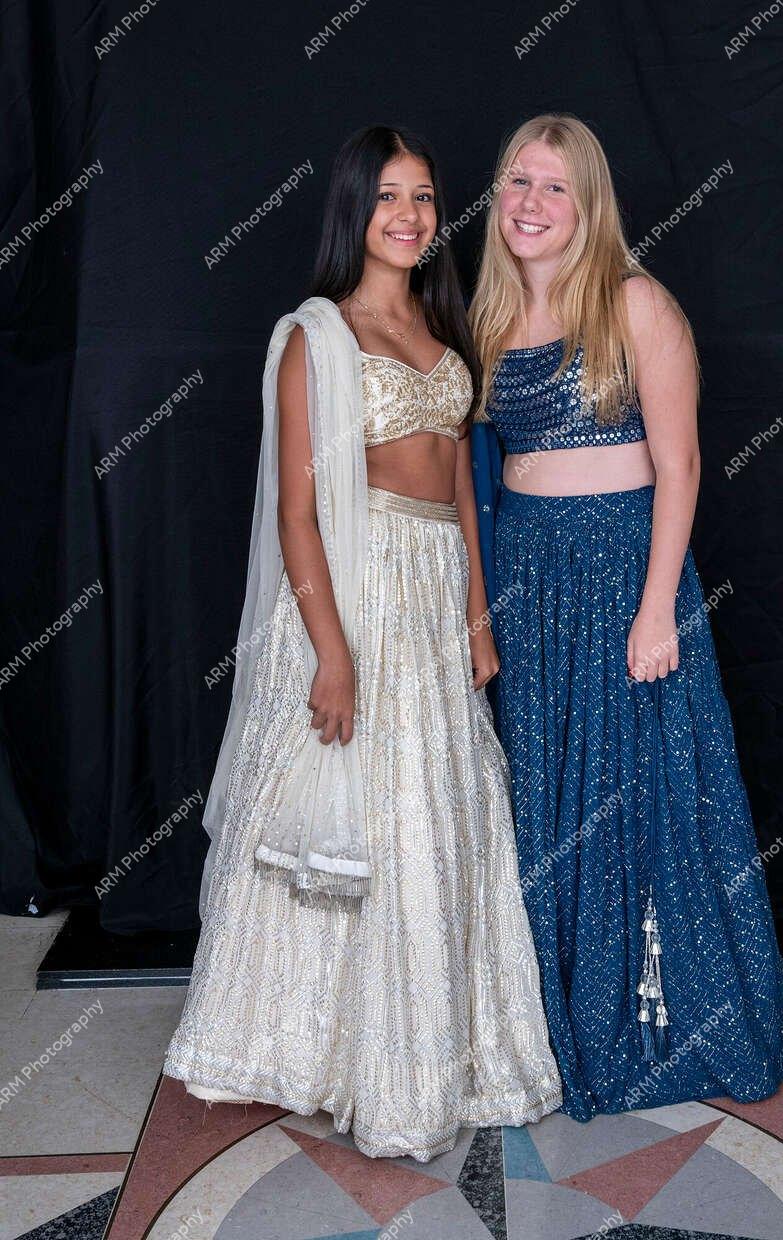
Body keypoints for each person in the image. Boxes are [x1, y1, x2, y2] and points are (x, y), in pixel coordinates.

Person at [164, 125, 561, 1161]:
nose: (410, 215)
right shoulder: (317, 337)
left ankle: (438, 1044)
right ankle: (326, 1051)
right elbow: (297, 512)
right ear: (354, 208)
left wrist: (478, 613)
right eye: (388, 196)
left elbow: (463, 487)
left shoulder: (443, 326)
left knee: (437, 807)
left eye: (424, 196)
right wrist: (332, 654)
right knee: (361, 809)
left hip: (436, 592)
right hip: (360, 588)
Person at [470, 113, 783, 1121]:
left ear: (588, 204)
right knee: (551, 793)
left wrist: (657, 612)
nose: (530, 202)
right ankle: (558, 1014)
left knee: (636, 788)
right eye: (518, 180)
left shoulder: (634, 301)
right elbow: (475, 476)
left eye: (554, 186)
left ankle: (654, 1018)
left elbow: (680, 465)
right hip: (532, 581)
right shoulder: (489, 315)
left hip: (623, 574)